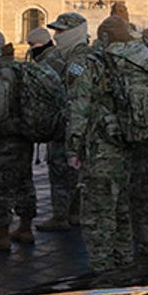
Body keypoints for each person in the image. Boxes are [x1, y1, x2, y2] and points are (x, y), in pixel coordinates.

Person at [64, 14, 148, 272]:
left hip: (100, 149)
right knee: (121, 210)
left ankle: (103, 271)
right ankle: (125, 263)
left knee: (97, 215)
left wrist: (73, 148)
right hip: (130, 142)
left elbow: (79, 108)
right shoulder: (141, 60)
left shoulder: (92, 63)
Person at [0, 27, 38, 250]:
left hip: (5, 136)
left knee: (0, 184)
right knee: (25, 181)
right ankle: (25, 227)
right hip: (25, 133)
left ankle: (0, 234)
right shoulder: (20, 68)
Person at [38, 15, 90, 232]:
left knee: (61, 169)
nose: (56, 36)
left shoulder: (76, 60)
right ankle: (74, 212)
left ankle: (61, 216)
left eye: (60, 32)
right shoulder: (79, 55)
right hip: (77, 125)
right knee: (76, 171)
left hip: (69, 124)